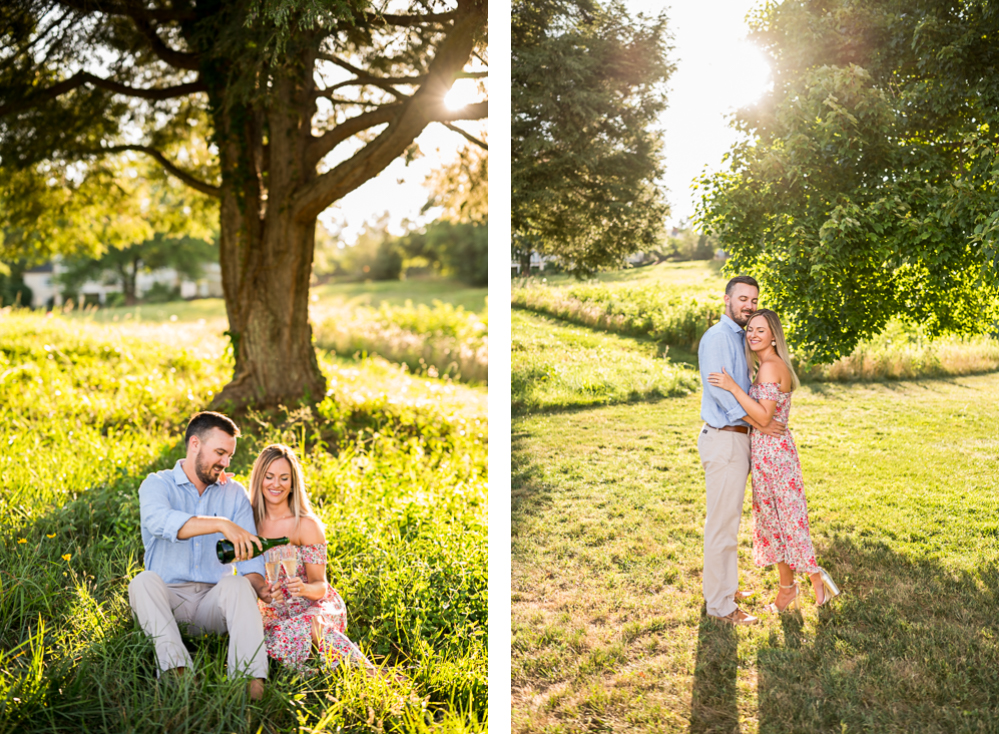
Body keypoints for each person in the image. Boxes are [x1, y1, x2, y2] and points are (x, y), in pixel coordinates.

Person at [128, 411, 273, 700]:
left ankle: (251, 682)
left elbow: (250, 557)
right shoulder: (157, 484)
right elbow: (160, 522)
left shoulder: (233, 493)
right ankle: (178, 674)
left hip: (213, 604)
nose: (225, 463)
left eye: (229, 456)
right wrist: (220, 523)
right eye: (220, 452)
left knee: (238, 583)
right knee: (142, 582)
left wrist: (261, 587)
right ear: (195, 444)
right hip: (168, 604)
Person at [708, 309, 841, 612]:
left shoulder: (770, 367)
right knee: (772, 523)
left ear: (773, 336)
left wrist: (732, 388)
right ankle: (787, 588)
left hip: (776, 456)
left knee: (788, 519)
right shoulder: (766, 366)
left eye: (761, 330)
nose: (753, 335)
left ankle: (816, 576)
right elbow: (763, 417)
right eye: (750, 330)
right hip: (767, 453)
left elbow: (765, 415)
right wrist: (759, 421)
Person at [697, 275, 786, 626]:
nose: (748, 306)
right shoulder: (719, 337)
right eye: (743, 299)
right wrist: (762, 423)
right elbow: (721, 394)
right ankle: (720, 607)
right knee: (721, 526)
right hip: (725, 437)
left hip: (737, 439)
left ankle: (725, 589)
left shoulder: (740, 338)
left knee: (728, 522)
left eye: (754, 300)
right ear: (727, 299)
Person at [248, 443, 376, 675]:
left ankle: (369, 673)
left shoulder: (306, 525)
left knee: (311, 624)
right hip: (271, 611)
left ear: (293, 483)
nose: (276, 484)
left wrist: (304, 588)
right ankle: (316, 672)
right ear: (259, 478)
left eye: (284, 478)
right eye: (269, 476)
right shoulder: (248, 521)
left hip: (311, 605)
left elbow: (320, 586)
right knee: (272, 639)